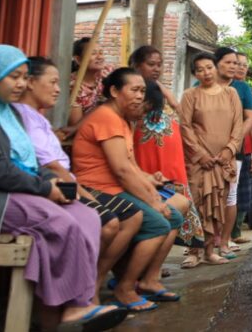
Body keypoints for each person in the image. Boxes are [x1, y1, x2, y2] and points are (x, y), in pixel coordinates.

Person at [0, 45, 127, 331]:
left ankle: (63, 313)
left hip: (14, 190)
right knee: (58, 221)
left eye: (24, 77)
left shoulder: (7, 111)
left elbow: (25, 161)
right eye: (14, 76)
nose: (21, 84)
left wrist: (51, 183)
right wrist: (43, 188)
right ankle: (74, 307)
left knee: (87, 217)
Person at [16, 56, 145, 291]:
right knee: (110, 222)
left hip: (68, 184)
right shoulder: (22, 116)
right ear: (31, 82)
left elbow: (130, 166)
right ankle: (85, 288)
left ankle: (91, 286)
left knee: (129, 216)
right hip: (55, 187)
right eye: (53, 82)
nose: (58, 90)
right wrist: (87, 197)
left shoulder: (38, 118)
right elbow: (53, 167)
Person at [73, 67, 187, 312]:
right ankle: (121, 286)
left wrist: (151, 184)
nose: (139, 96)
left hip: (114, 188)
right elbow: (122, 171)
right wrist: (154, 202)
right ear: (114, 91)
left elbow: (132, 167)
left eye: (142, 91)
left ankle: (146, 280)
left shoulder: (122, 120)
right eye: (134, 90)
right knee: (158, 223)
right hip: (95, 189)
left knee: (174, 217)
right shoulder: (107, 118)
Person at [133, 79, 208, 268]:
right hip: (154, 174)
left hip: (167, 173)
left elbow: (180, 110)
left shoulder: (165, 117)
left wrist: (161, 88)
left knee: (177, 213)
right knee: (164, 219)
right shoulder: (137, 119)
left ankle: (189, 254)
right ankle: (159, 263)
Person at [179, 53, 246, 265]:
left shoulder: (231, 93)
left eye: (209, 67)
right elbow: (185, 127)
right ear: (195, 74)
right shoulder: (190, 95)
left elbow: (238, 125)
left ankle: (209, 251)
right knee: (197, 203)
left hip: (223, 161)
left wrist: (230, 149)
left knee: (218, 204)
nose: (206, 73)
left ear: (215, 68)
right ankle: (193, 252)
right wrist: (201, 155)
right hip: (199, 162)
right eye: (200, 70)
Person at [213, 48, 252, 255]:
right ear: (217, 63)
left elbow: (250, 119)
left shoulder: (241, 89)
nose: (234, 67)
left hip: (233, 151)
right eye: (229, 62)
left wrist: (233, 143)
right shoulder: (200, 87)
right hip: (206, 151)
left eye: (236, 63)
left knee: (230, 195)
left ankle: (225, 241)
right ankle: (202, 244)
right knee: (206, 195)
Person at [231, 52, 252, 242]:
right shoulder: (223, 90)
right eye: (237, 63)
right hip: (226, 148)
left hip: (246, 150)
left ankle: (235, 232)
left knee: (243, 194)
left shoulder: (248, 93)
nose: (241, 67)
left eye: (244, 65)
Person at [68, 36, 114, 128]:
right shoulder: (74, 86)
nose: (100, 57)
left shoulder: (108, 72)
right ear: (78, 59)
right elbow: (75, 126)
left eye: (101, 53)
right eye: (93, 53)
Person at [128, 45, 180, 113]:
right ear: (137, 66)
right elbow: (177, 107)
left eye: (159, 65)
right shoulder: (151, 87)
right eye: (151, 64)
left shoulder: (155, 85)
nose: (157, 69)